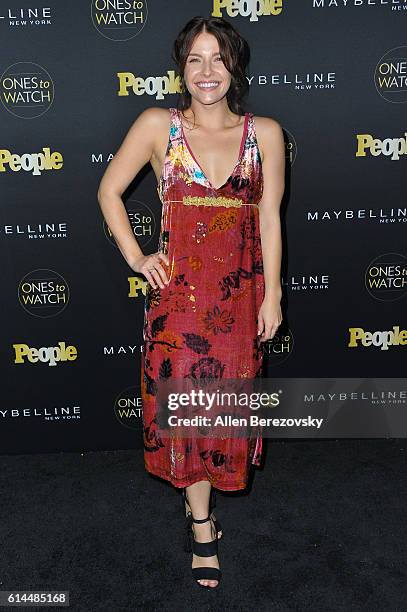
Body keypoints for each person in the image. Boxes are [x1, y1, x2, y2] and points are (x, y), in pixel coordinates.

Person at [97, 16, 284, 589]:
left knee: (222, 411)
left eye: (219, 59)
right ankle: (202, 524)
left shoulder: (266, 133)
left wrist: (272, 293)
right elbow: (109, 189)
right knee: (187, 416)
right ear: (181, 67)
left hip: (239, 296)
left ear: (236, 66)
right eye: (196, 60)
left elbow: (269, 218)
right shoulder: (159, 125)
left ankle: (200, 508)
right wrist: (136, 258)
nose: (208, 72)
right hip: (178, 304)